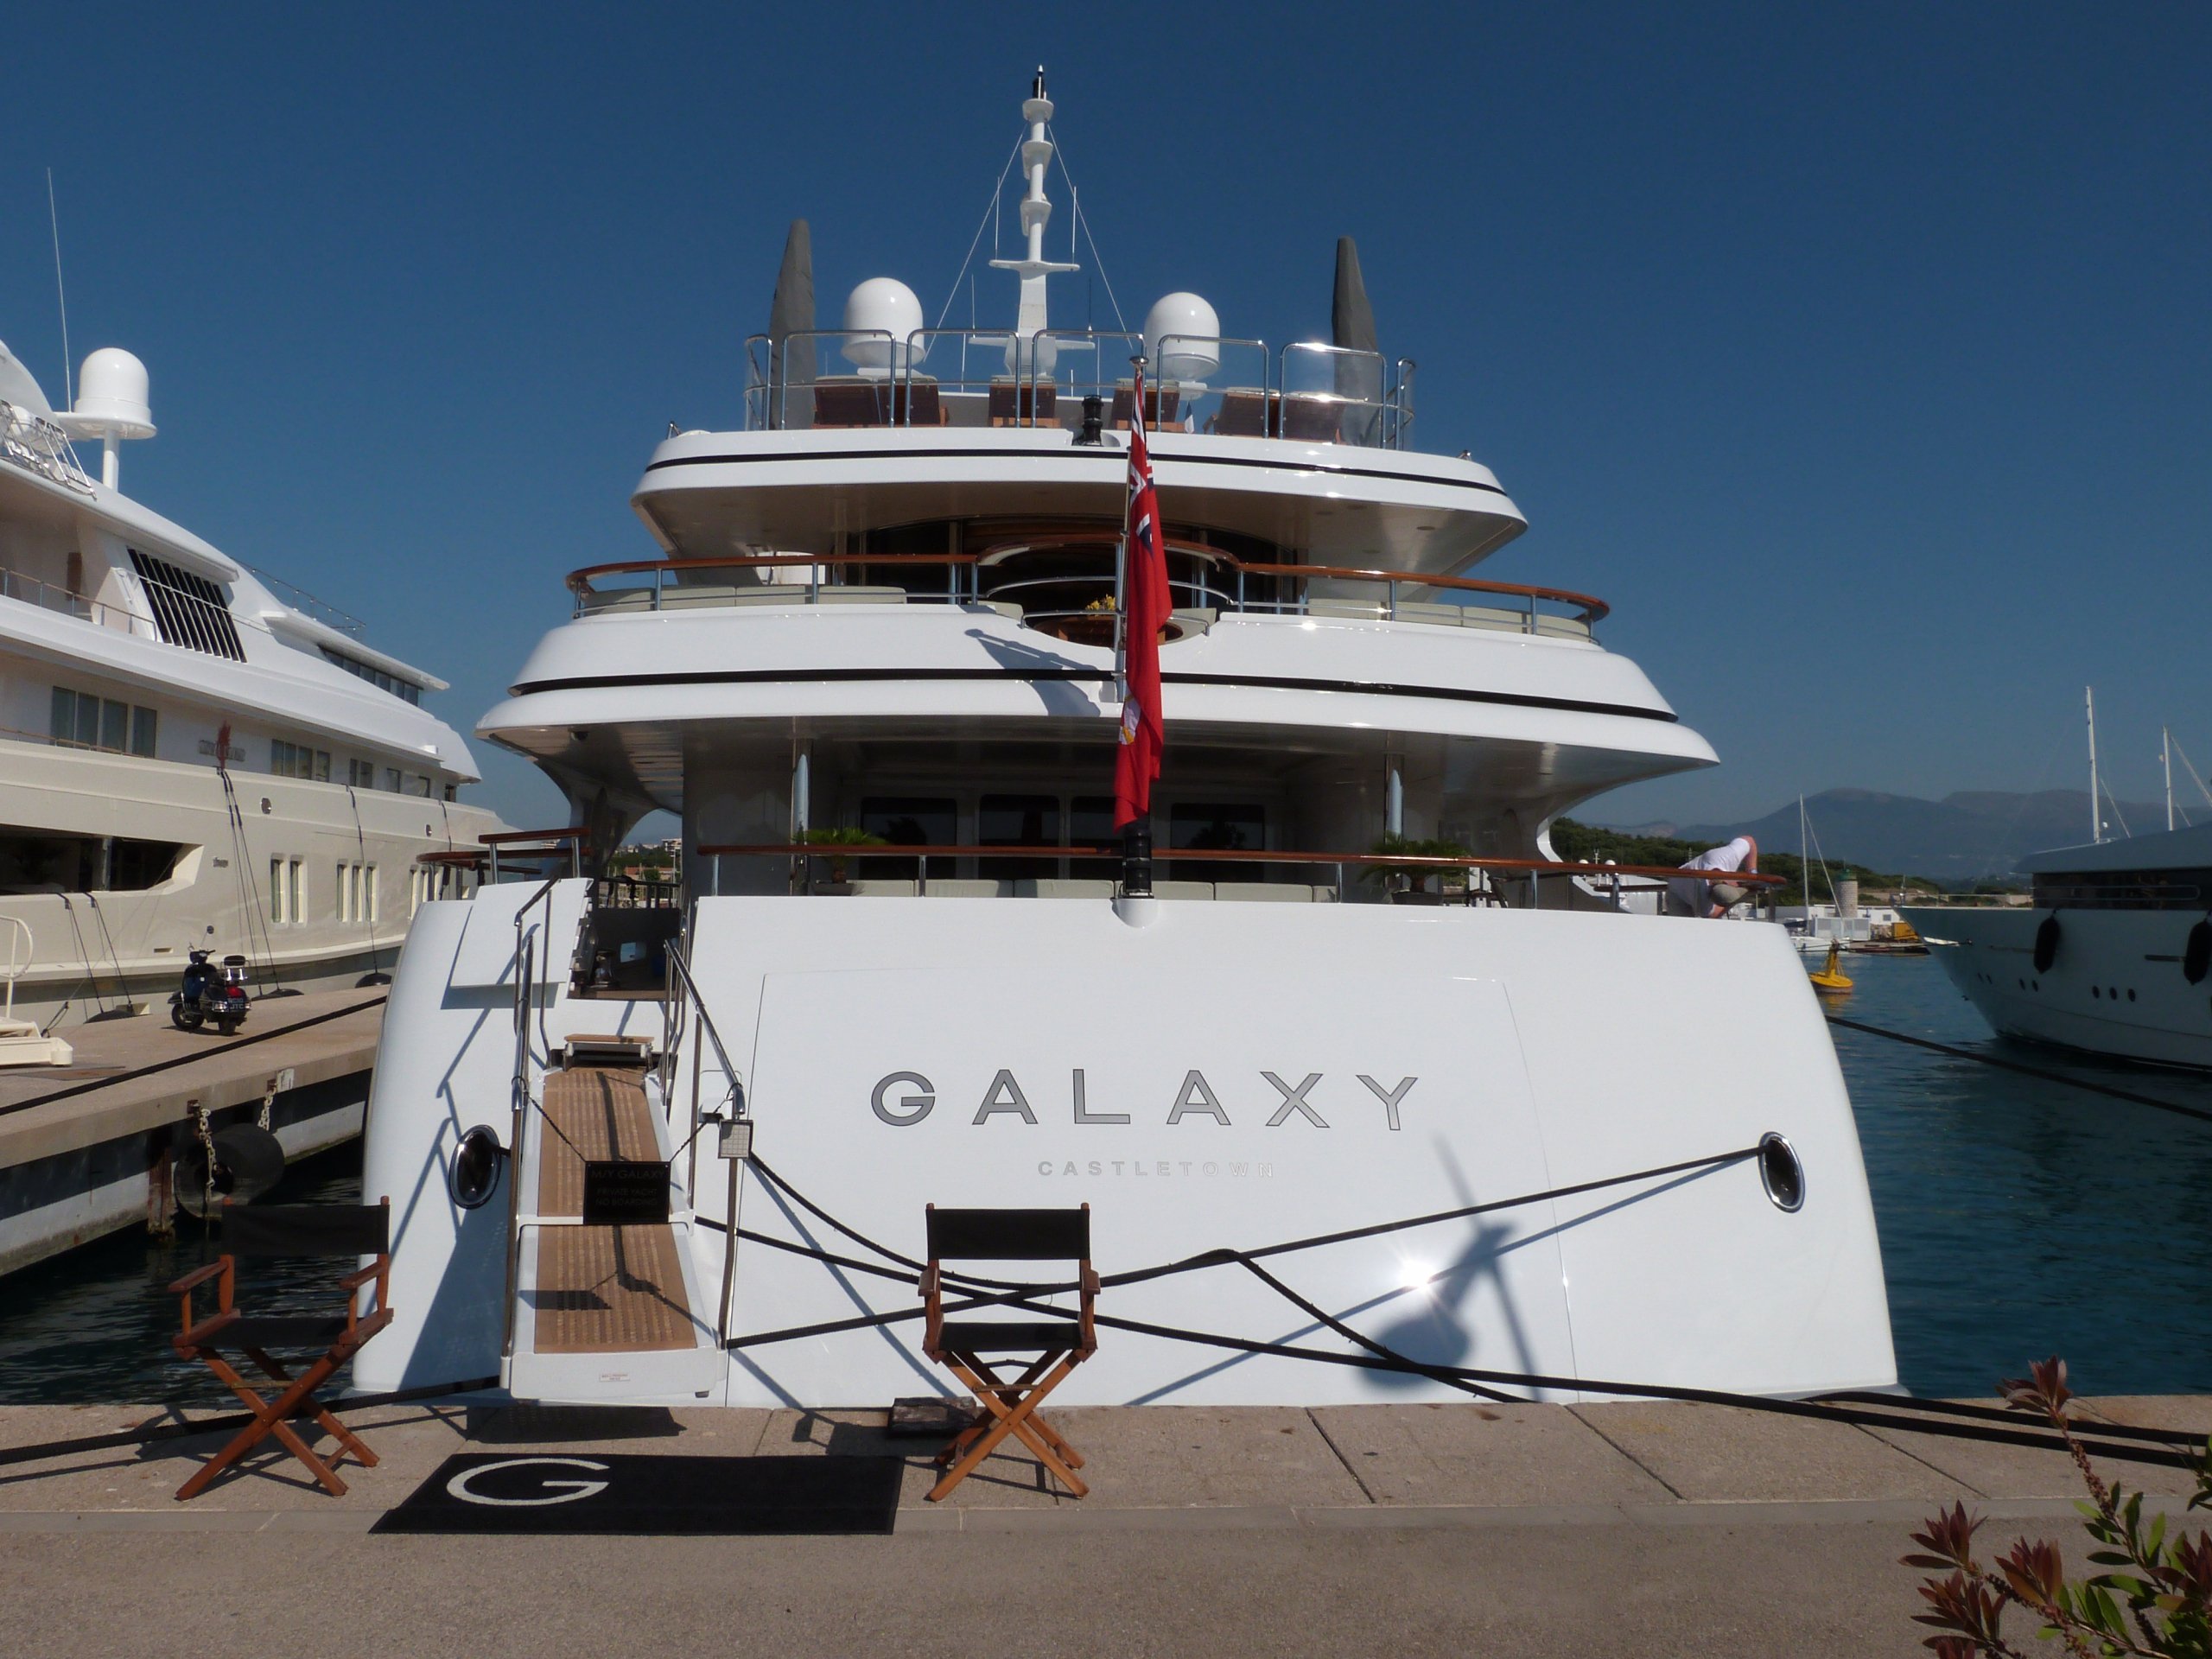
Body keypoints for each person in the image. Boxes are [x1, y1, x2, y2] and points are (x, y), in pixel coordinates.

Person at [1668, 835, 1757, 918]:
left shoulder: (1725, 857)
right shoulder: (1703, 901)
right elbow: (1712, 915)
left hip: (1681, 880)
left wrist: (1752, 874)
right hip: (1677, 894)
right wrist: (1736, 900)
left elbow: (1749, 841)